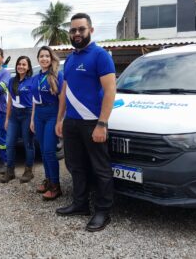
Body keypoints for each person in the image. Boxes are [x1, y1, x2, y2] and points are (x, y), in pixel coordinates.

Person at [55, 13, 116, 232]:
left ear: (91, 30)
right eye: (73, 30)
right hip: (71, 122)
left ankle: (103, 211)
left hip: (92, 123)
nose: (77, 33)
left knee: (100, 169)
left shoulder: (100, 56)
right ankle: (80, 204)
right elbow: (64, 90)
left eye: (81, 29)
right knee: (75, 166)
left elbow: (110, 91)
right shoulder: (70, 58)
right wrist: (60, 118)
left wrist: (102, 123)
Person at [30, 46, 63, 200]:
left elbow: (62, 99)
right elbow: (34, 101)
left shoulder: (57, 75)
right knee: (43, 151)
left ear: (51, 59)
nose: (44, 59)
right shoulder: (36, 78)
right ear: (38, 59)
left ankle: (56, 186)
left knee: (50, 151)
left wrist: (60, 120)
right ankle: (49, 180)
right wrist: (32, 119)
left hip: (52, 114)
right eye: (41, 56)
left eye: (47, 56)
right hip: (39, 115)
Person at [1, 56, 35, 183]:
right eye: (19, 64)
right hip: (14, 115)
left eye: (24, 64)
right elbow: (10, 100)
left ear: (28, 67)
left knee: (28, 144)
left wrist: (32, 119)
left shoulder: (32, 81)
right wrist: (7, 118)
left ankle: (28, 171)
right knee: (9, 143)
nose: (21, 66)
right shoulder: (11, 81)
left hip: (27, 113)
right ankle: (10, 171)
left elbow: (35, 102)